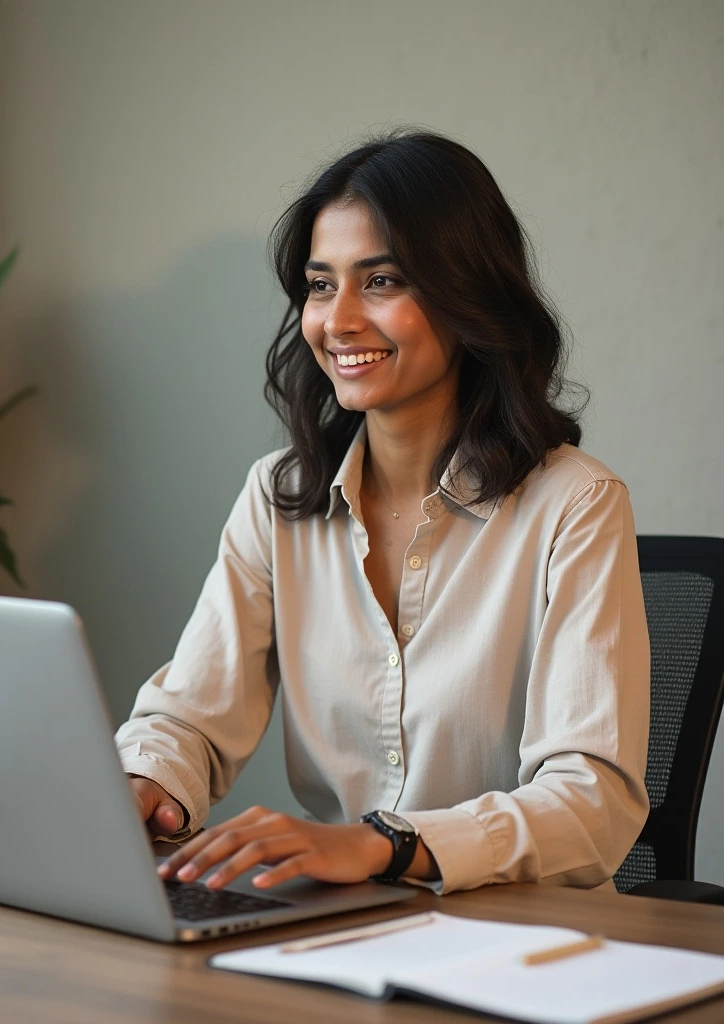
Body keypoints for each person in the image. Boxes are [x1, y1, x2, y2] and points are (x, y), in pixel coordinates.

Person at [115, 128, 650, 895]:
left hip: (524, 944)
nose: (339, 321)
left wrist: (385, 845)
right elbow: (191, 716)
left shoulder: (576, 505)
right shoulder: (279, 499)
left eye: (383, 281)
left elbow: (591, 803)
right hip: (342, 924)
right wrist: (147, 785)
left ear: (468, 293)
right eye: (321, 284)